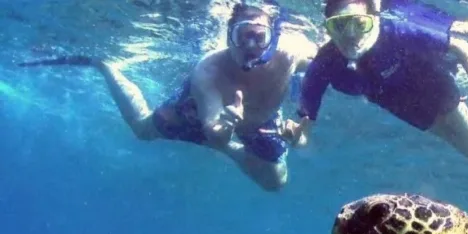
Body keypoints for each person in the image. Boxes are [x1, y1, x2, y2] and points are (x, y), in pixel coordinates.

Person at [291, 0, 468, 217]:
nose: (350, 35)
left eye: (358, 24)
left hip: (429, 80)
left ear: (373, 18)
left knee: (467, 137)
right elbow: (305, 129)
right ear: (327, 27)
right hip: (397, 102)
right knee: (459, 138)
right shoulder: (325, 62)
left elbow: (459, 44)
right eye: (339, 26)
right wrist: (297, 137)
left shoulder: (394, 29)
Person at [19, 2, 317, 192]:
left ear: (272, 37)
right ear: (229, 36)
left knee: (275, 182)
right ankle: (104, 65)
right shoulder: (208, 70)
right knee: (143, 129)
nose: (250, 45)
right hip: (204, 113)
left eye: (259, 36)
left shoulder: (290, 53)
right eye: (242, 36)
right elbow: (213, 131)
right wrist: (226, 126)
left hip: (259, 121)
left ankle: (232, 149)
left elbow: (329, 58)